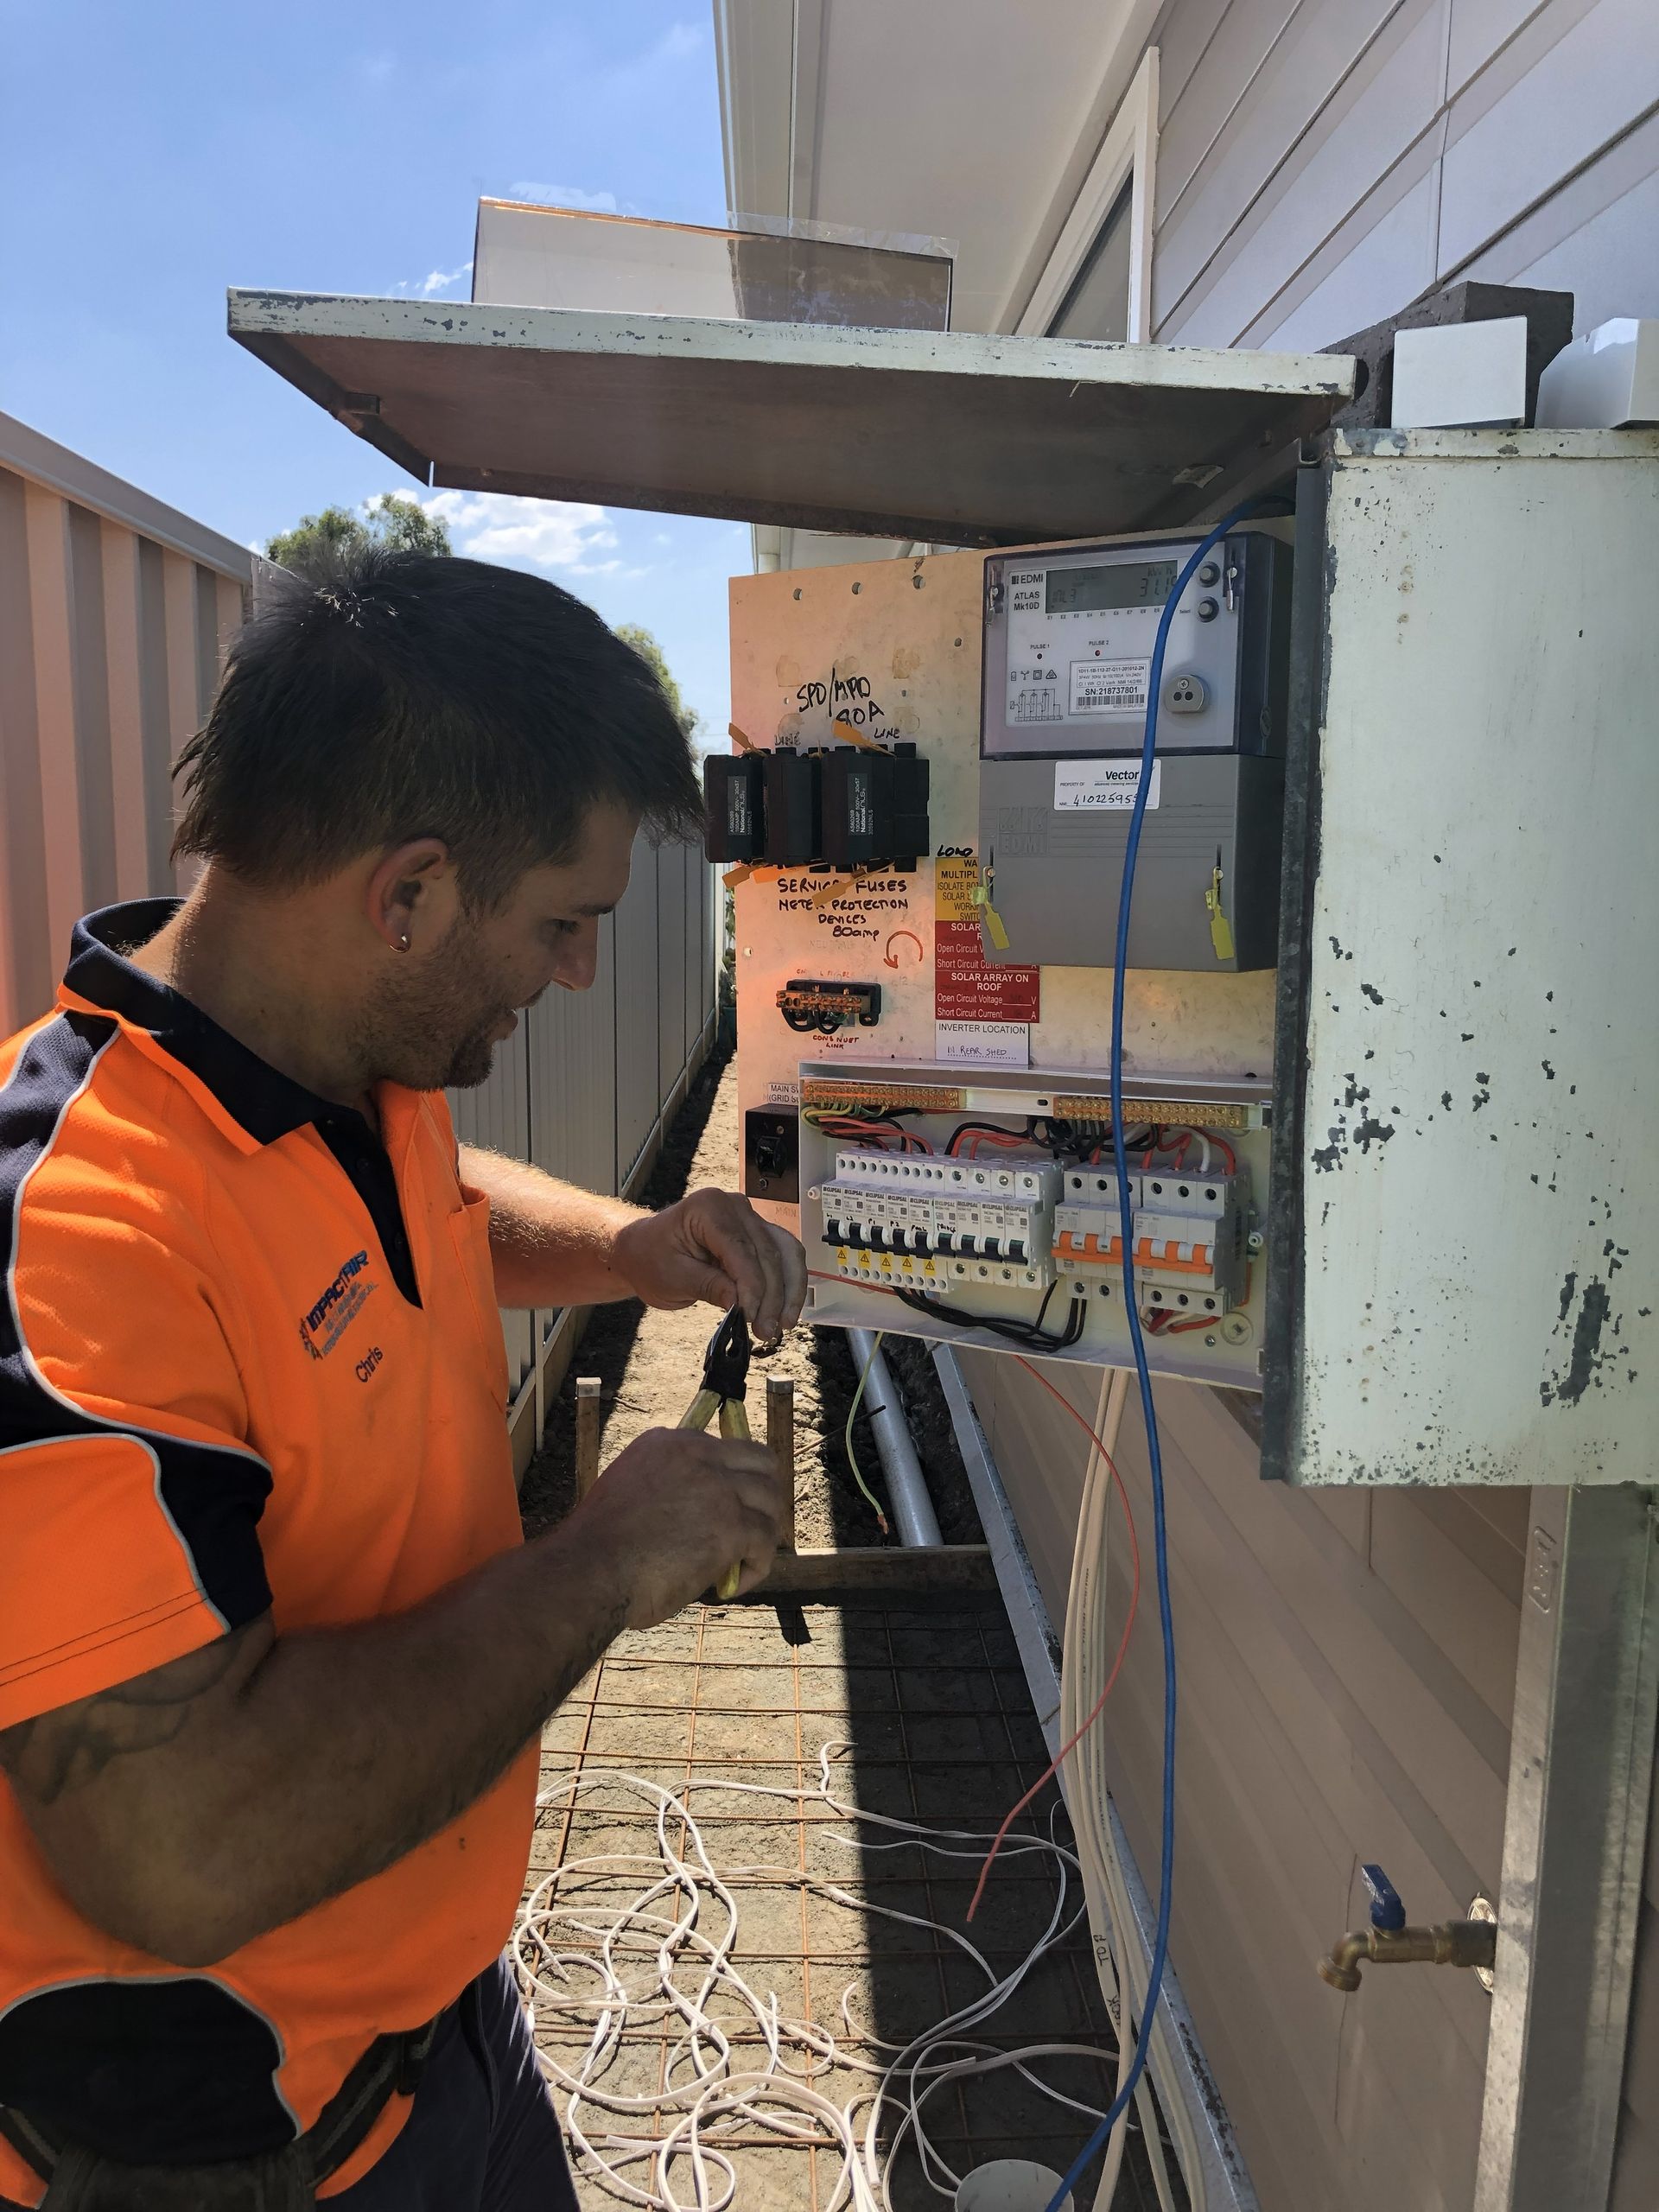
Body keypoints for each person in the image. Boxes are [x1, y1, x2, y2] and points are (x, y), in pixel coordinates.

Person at [0, 550, 804, 2209]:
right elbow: (180, 1846)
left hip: (440, 2020)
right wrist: (604, 1557)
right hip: (236, 2161)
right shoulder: (76, 1237)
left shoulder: (339, 1063)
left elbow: (416, 1216)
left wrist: (633, 1244)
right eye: (564, 925)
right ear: (411, 894)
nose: (576, 975)